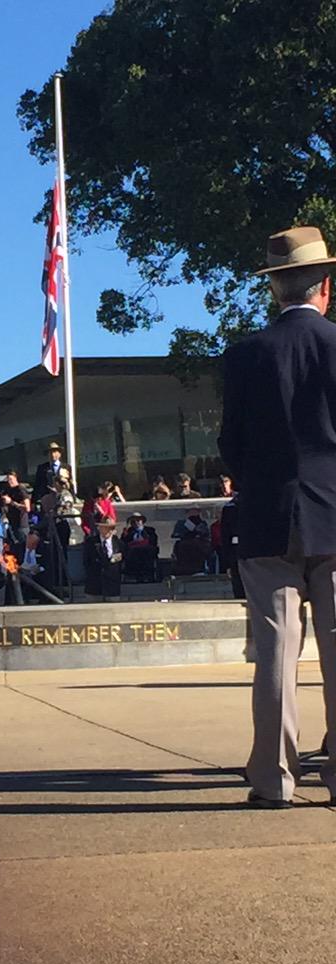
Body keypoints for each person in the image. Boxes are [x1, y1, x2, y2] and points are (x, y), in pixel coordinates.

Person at [218, 225, 336, 809]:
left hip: (266, 520)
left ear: (274, 290)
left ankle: (274, 777)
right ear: (326, 288)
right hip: (335, 515)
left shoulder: (244, 355)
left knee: (275, 657)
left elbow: (230, 445)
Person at [84, 517, 123, 599]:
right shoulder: (91, 543)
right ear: (100, 528)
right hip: (94, 587)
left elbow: (122, 560)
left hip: (112, 587)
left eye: (111, 528)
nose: (109, 530)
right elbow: (86, 562)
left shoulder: (119, 543)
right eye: (106, 528)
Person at [171, 506, 210, 574]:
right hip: (184, 545)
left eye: (196, 511)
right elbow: (175, 534)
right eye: (191, 511)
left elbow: (205, 534)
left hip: (198, 545)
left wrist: (197, 531)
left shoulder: (202, 523)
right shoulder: (181, 523)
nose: (193, 513)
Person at [121, 513, 159, 582]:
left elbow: (153, 541)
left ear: (142, 521)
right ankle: (136, 574)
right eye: (133, 521)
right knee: (134, 551)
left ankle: (146, 574)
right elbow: (123, 543)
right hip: (133, 553)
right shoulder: (129, 531)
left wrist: (143, 533)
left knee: (145, 551)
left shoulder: (150, 530)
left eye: (138, 520)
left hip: (146, 551)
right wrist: (125, 535)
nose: (136, 523)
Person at [0, 470, 31, 552]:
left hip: (21, 524)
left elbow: (27, 508)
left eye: (11, 479)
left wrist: (11, 502)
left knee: (23, 548)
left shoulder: (20, 489)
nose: (9, 482)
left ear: (15, 478)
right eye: (8, 480)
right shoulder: (8, 490)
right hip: (11, 524)